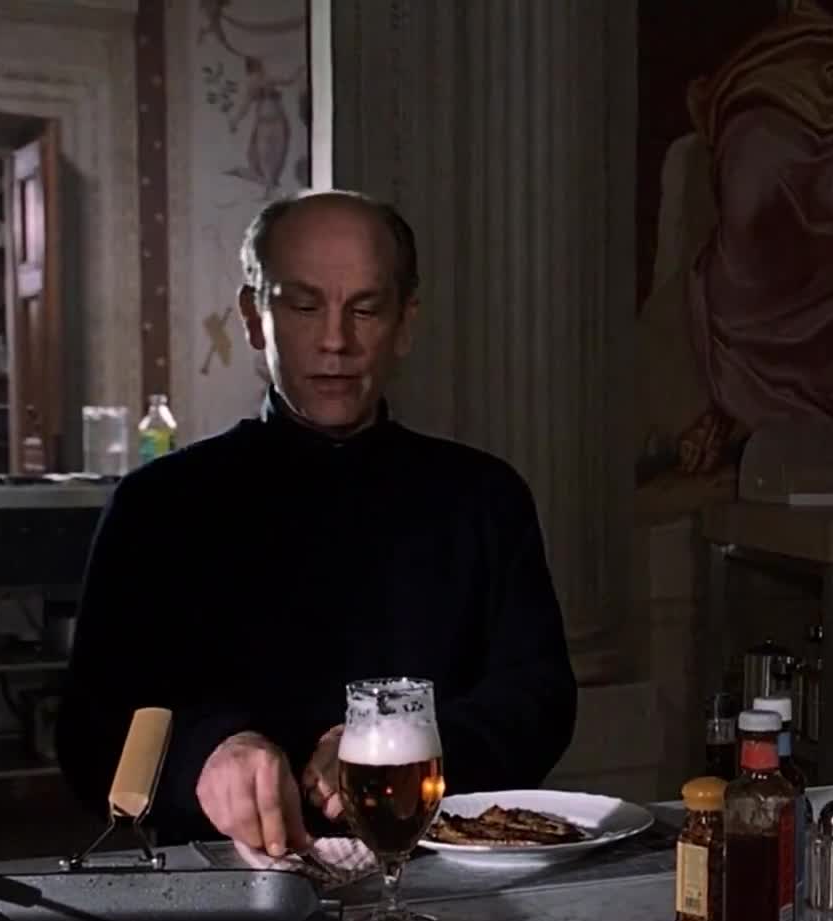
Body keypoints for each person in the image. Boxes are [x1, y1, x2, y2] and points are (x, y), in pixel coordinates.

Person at [58, 191, 579, 857]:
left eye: (365, 309)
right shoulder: (156, 505)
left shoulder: (486, 497)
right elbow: (90, 732)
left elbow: (539, 701)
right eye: (304, 307)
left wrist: (409, 742)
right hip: (226, 884)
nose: (336, 341)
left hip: (444, 876)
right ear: (255, 318)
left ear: (405, 322)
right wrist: (203, 755)